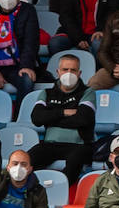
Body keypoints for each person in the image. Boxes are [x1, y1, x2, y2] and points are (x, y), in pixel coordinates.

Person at [26, 54, 95, 183]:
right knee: (26, 161)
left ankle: (61, 191)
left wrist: (51, 117)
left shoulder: (88, 92)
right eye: (65, 69)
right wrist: (64, 112)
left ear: (79, 73)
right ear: (58, 72)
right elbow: (36, 118)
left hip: (79, 146)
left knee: (75, 160)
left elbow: (83, 119)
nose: (69, 73)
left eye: (73, 70)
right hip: (50, 145)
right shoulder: (46, 93)